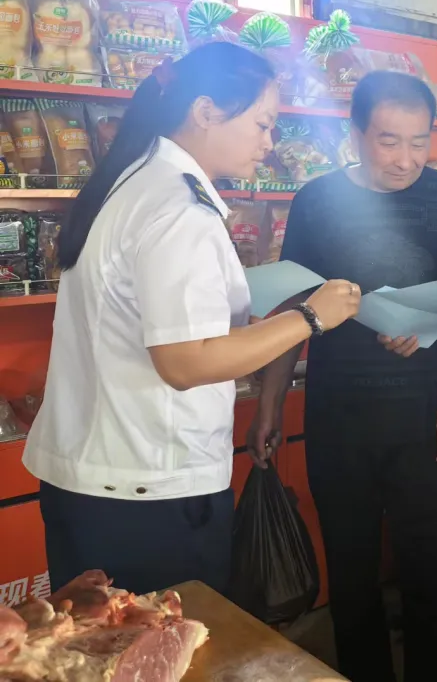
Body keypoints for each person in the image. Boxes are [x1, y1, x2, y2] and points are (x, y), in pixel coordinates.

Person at [21, 42, 361, 596]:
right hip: (147, 491)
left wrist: (249, 317)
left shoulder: (133, 180)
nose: (269, 142)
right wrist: (309, 317)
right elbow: (184, 362)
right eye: (262, 124)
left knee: (96, 637)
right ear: (205, 111)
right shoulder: (179, 209)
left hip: (93, 480)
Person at [251, 71, 437, 682]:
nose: (406, 159)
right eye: (389, 141)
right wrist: (270, 404)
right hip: (338, 421)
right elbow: (293, 307)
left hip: (425, 419)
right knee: (351, 579)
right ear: (354, 136)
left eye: (419, 141)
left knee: (429, 575)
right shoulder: (317, 201)